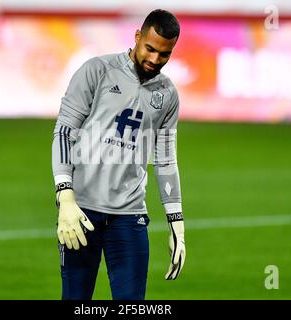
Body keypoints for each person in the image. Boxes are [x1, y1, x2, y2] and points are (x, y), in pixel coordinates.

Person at [52, 9, 185, 300]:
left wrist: (177, 223)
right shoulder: (96, 71)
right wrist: (65, 196)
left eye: (164, 54)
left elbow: (165, 159)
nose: (154, 60)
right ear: (137, 37)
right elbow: (64, 133)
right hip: (81, 212)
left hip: (130, 216)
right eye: (150, 48)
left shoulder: (168, 94)